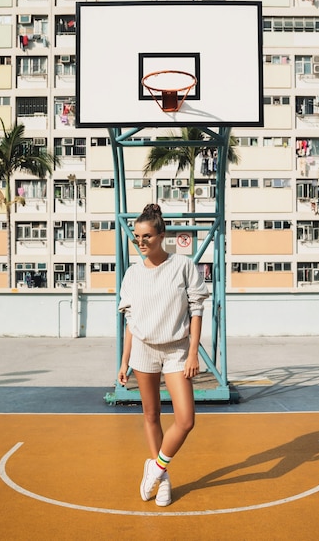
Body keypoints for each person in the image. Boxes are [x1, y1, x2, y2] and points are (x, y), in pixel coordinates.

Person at [117, 203, 209, 507]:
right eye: (137, 238)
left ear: (162, 234)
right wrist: (124, 361)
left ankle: (154, 467)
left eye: (147, 237)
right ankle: (164, 480)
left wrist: (194, 352)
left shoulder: (182, 265)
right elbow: (130, 320)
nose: (141, 243)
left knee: (185, 420)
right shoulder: (132, 274)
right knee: (151, 415)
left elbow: (196, 309)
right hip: (143, 350)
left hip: (177, 350)